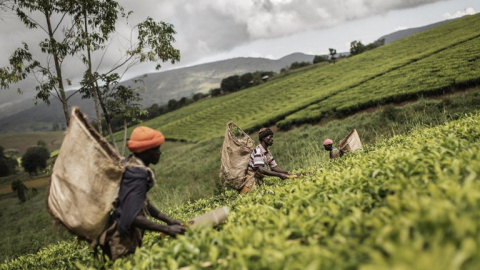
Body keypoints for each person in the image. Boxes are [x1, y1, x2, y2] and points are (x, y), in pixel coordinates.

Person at [100, 126, 186, 261]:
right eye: (155, 149)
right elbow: (132, 217)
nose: (159, 153)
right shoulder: (136, 174)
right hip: (120, 241)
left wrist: (169, 220)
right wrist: (167, 229)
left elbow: (142, 203)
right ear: (144, 151)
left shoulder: (130, 163)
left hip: (119, 235)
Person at [240, 127, 296, 194]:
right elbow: (261, 169)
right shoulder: (258, 151)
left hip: (258, 180)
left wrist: (287, 172)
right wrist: (279, 175)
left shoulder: (267, 152)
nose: (272, 139)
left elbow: (274, 167)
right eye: (270, 137)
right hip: (251, 182)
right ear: (264, 138)